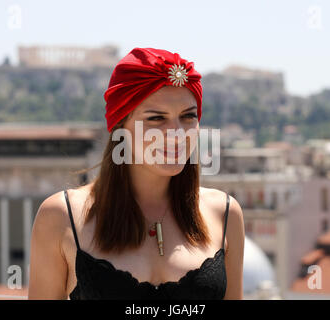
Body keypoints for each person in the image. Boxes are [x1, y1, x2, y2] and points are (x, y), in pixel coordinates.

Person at [28, 47, 245, 300]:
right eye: (156, 118)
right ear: (121, 126)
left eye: (188, 116)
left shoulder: (225, 213)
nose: (176, 133)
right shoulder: (60, 216)